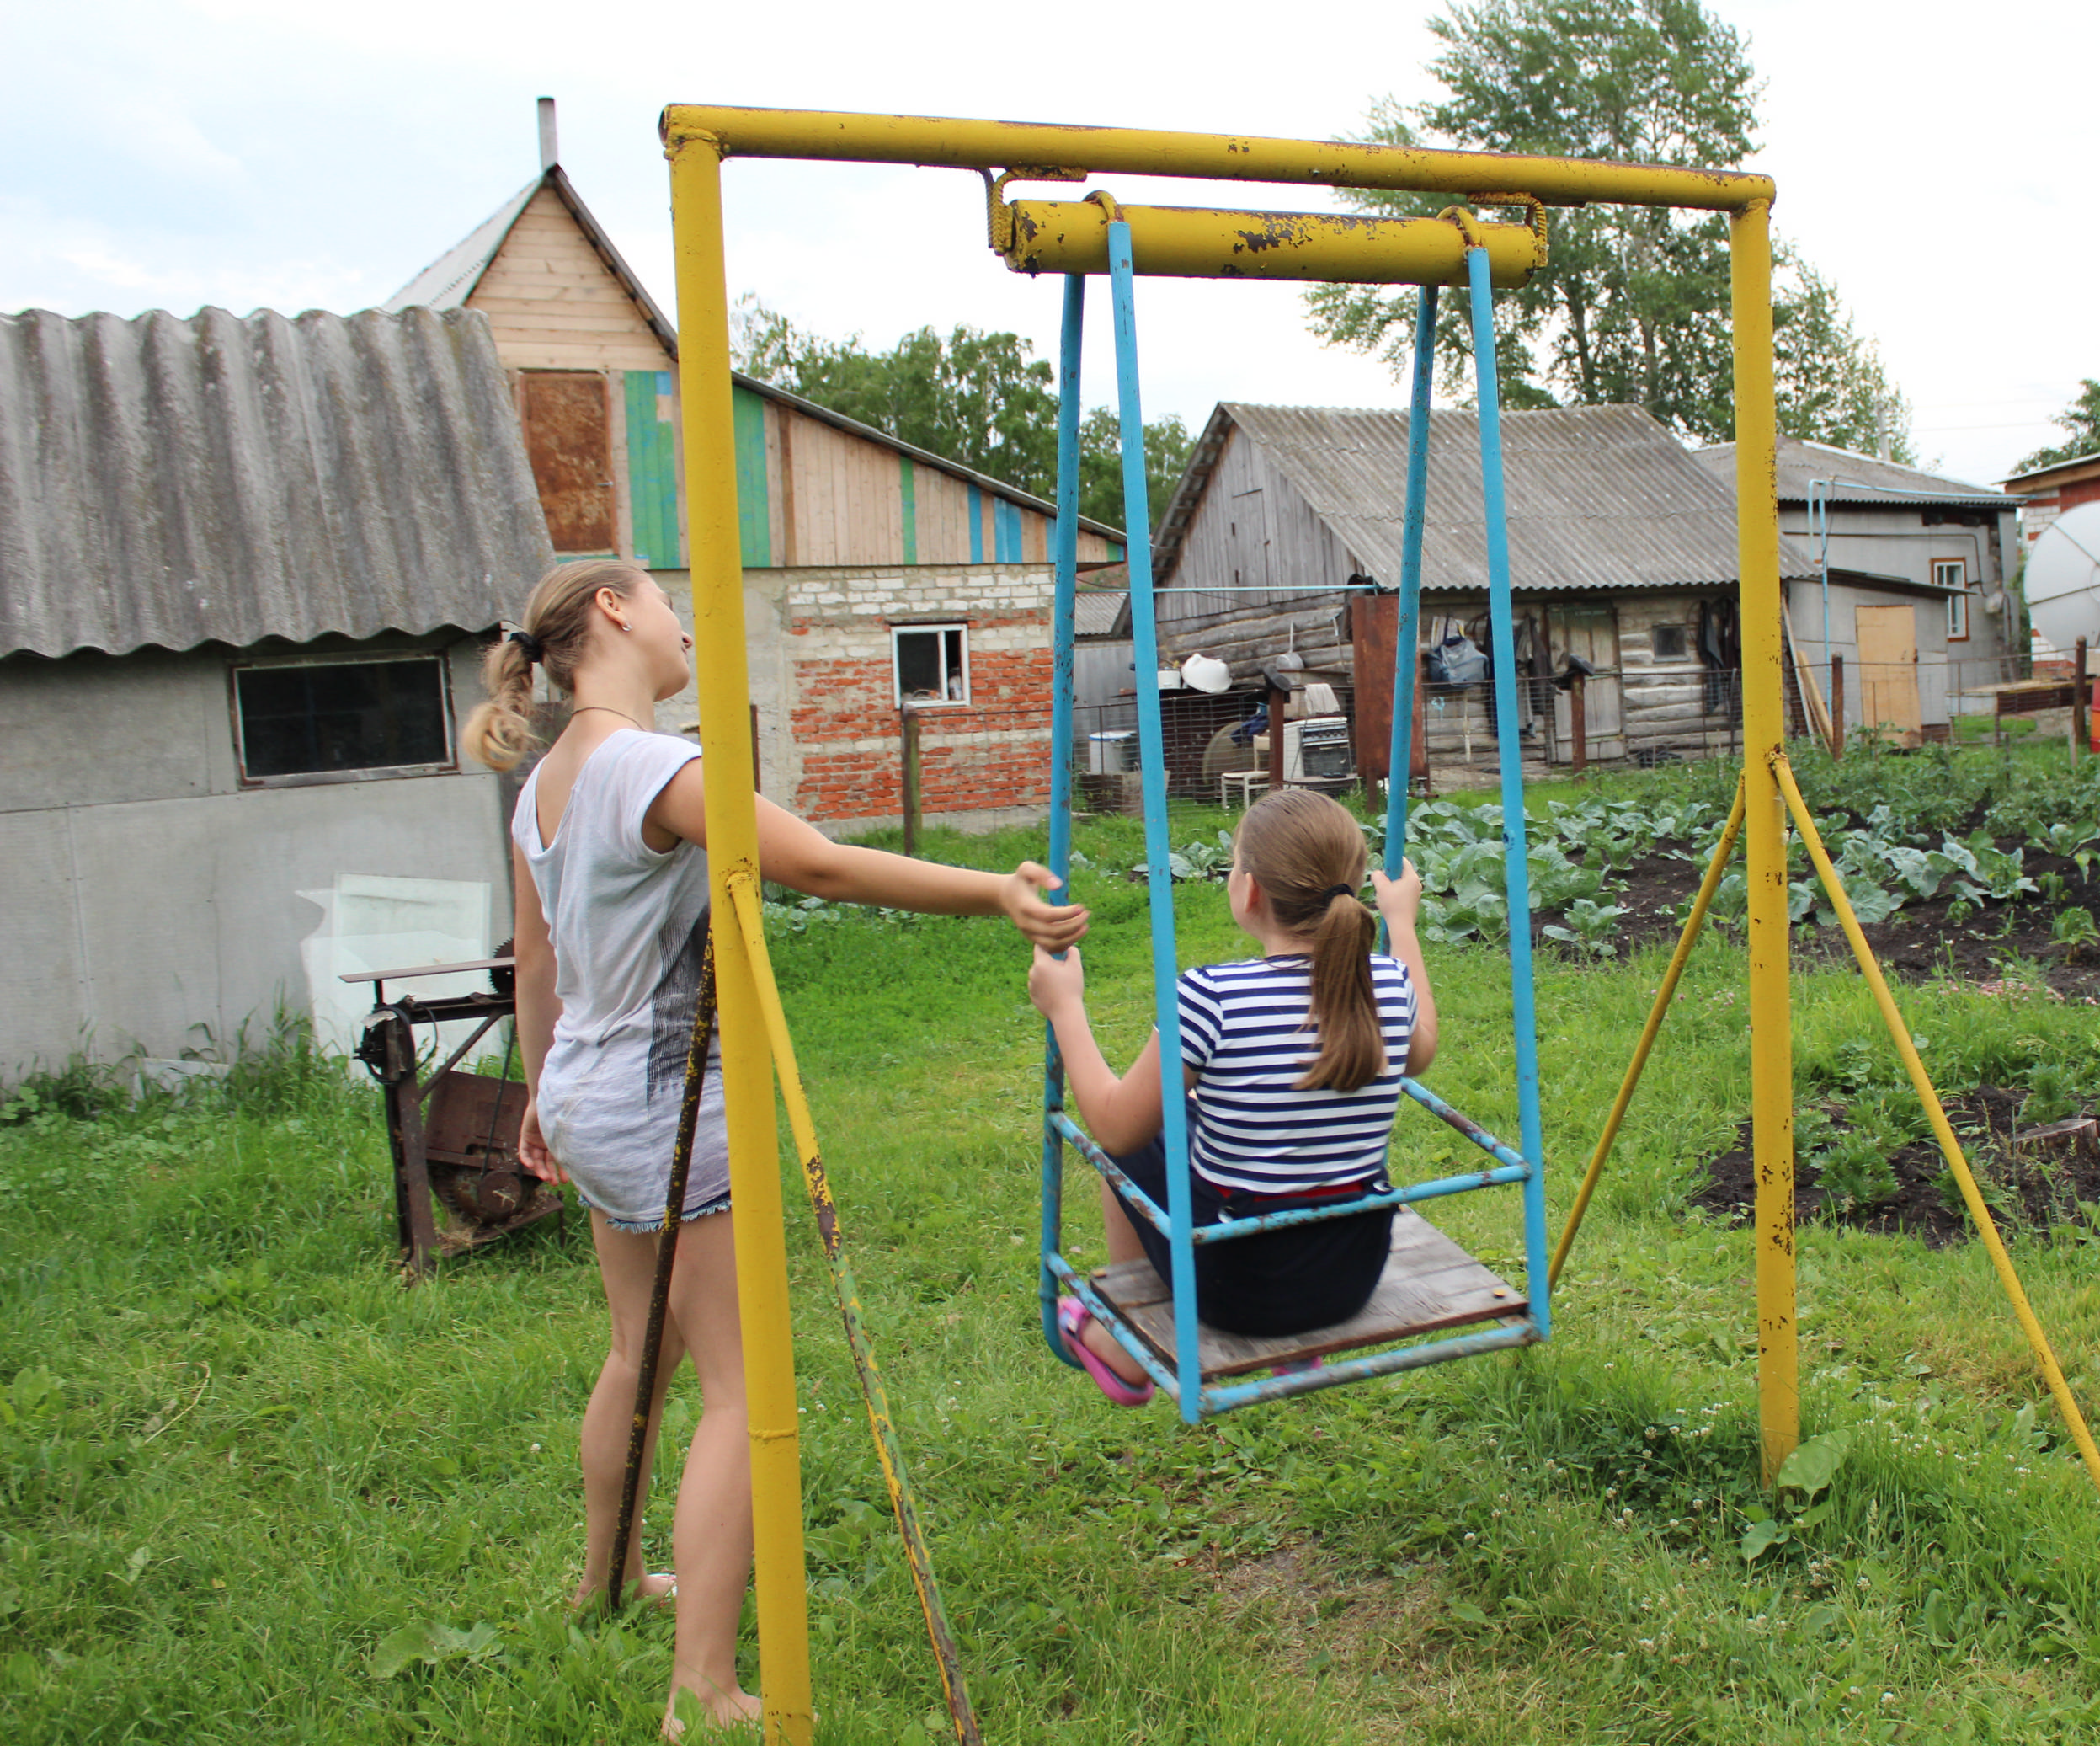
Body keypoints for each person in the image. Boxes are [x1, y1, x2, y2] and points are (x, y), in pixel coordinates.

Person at [462, 558, 1087, 1737]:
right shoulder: (655, 767)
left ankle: (602, 1583)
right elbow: (814, 861)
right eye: (662, 598)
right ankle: (701, 1682)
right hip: (665, 1103)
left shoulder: (544, 780)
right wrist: (991, 893)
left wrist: (540, 1093)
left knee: (633, 1351)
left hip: (592, 1093)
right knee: (738, 1387)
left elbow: (533, 964)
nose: (681, 623)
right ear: (611, 612)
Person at [1027, 788, 1436, 1404]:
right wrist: (1401, 922)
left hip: (1236, 1286)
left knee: (1136, 1145)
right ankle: (1296, 1343)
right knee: (1207, 1119)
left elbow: (1114, 1126)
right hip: (1351, 1275)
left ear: (1248, 891)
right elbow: (1421, 1049)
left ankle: (1127, 1338)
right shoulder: (1387, 981)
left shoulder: (1212, 997)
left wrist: (1067, 1009)